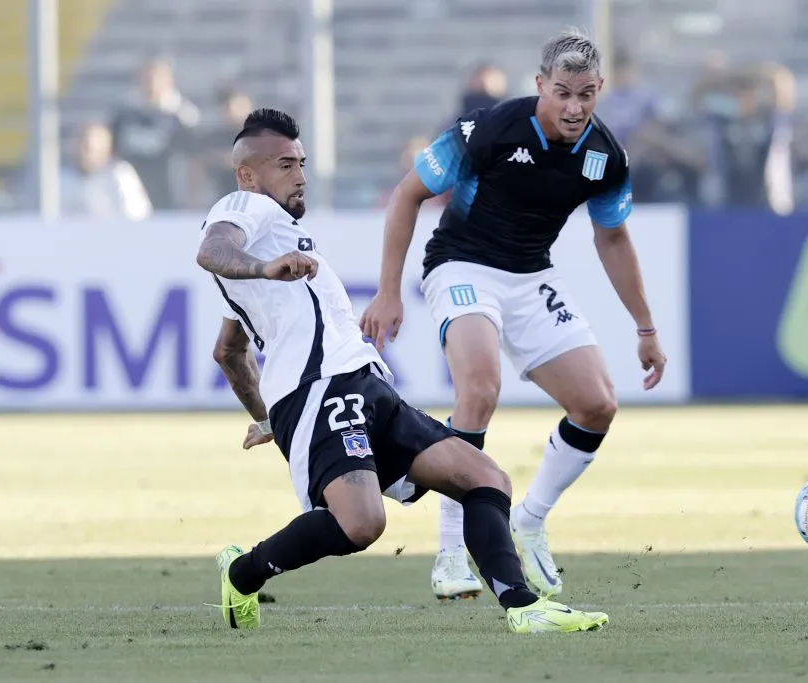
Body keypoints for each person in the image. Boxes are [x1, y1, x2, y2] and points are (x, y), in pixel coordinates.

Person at [195, 107, 608, 634]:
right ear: (247, 175)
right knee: (362, 523)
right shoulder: (242, 208)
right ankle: (242, 572)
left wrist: (266, 417)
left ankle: (524, 608)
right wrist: (263, 268)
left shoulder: (275, 242)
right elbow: (212, 249)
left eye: (301, 163)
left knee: (485, 478)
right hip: (321, 387)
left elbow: (229, 352)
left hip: (366, 384)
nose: (300, 175)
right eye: (285, 165)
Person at [360, 29, 667, 601]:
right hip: (461, 264)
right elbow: (407, 194)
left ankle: (530, 519)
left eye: (586, 95)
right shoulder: (491, 128)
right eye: (562, 93)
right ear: (540, 86)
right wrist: (388, 292)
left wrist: (645, 328)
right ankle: (451, 552)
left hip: (530, 275)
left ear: (600, 89)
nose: (573, 108)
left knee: (597, 404)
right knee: (479, 388)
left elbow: (613, 238)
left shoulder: (606, 156)